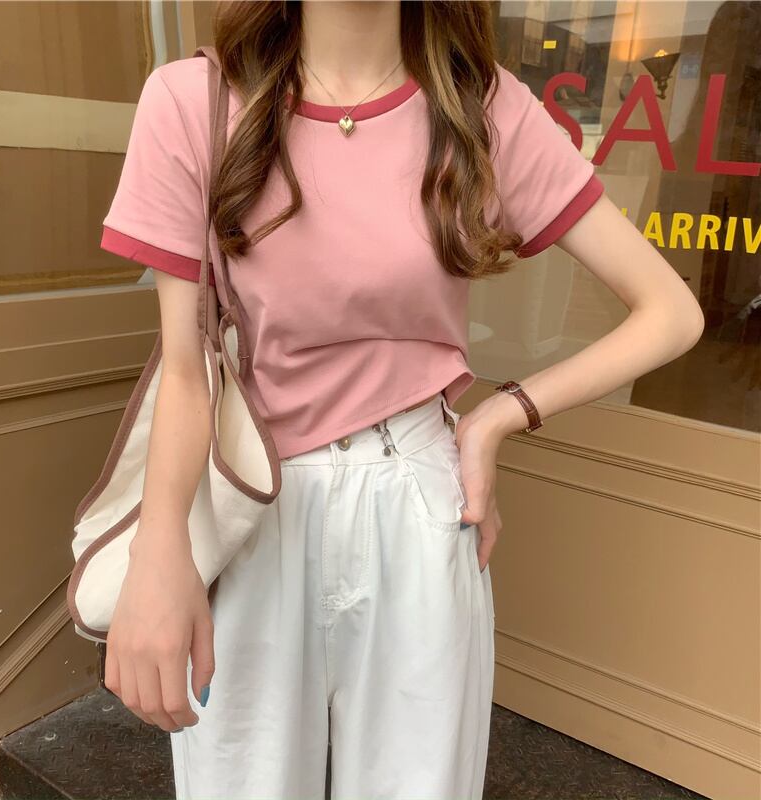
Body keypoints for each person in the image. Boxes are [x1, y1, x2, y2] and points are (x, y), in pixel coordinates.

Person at [97, 2, 704, 798]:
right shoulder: (194, 102)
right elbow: (184, 370)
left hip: (416, 502)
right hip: (252, 504)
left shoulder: (482, 109)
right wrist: (159, 549)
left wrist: (496, 417)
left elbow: (671, 311)